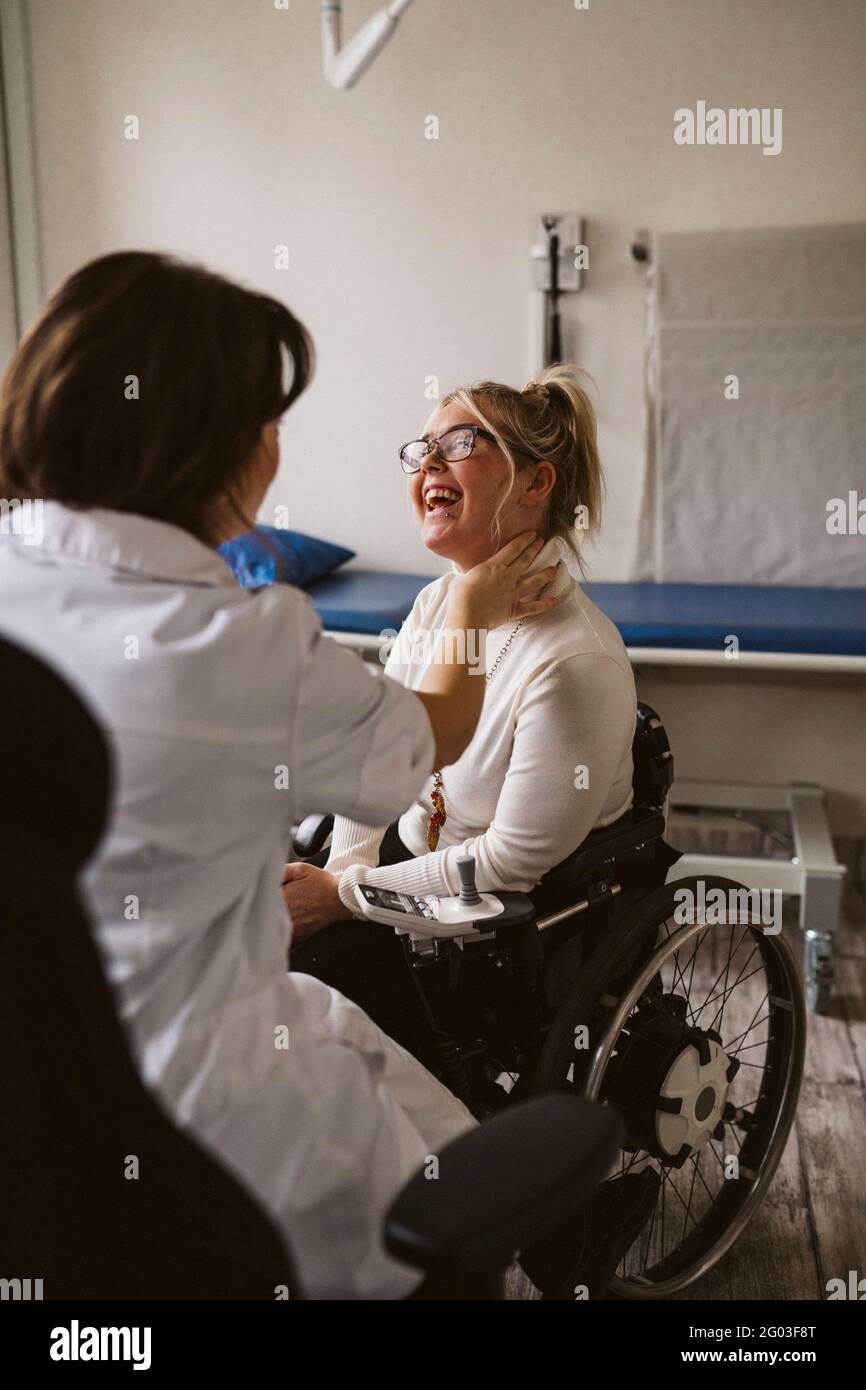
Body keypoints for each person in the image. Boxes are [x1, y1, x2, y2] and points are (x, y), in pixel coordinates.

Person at [0, 251, 563, 1299]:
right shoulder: (246, 643)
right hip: (205, 1144)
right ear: (217, 447)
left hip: (34, 1120)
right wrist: (477, 604)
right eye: (268, 423)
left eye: (464, 445)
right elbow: (420, 747)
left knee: (336, 1019)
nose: (432, 466)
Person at [285, 367, 638, 1068]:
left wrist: (346, 896)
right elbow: (377, 756)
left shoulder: (576, 663)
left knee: (304, 981)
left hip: (498, 919)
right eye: (421, 451)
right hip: (403, 871)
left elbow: (509, 863)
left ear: (536, 484)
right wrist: (344, 865)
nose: (429, 465)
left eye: (460, 443)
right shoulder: (435, 606)